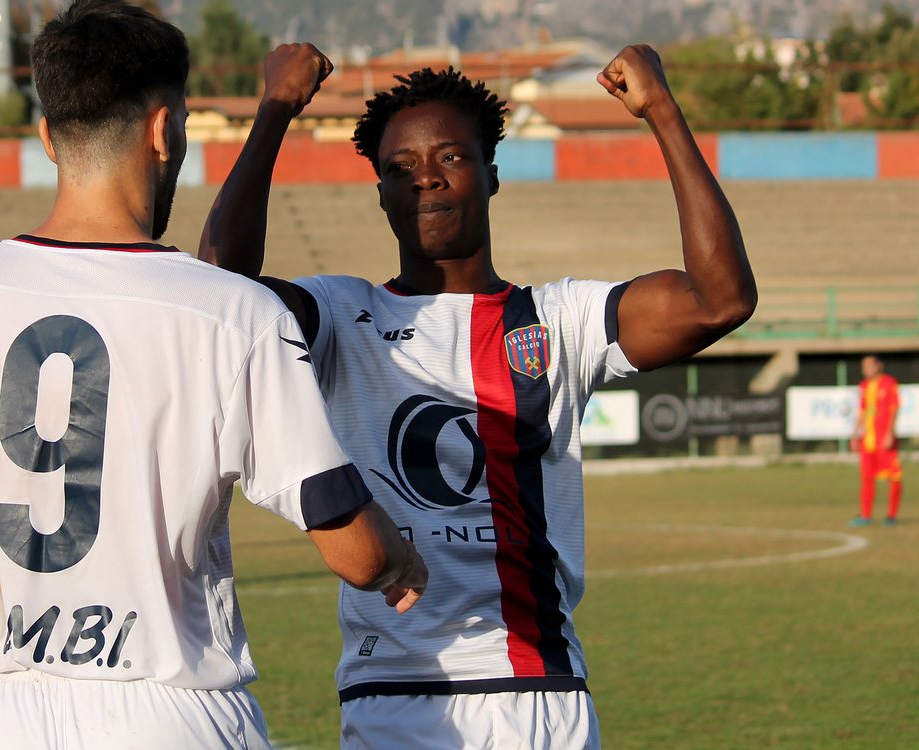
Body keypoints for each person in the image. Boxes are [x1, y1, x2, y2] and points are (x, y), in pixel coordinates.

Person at [200, 42, 756, 749]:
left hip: (537, 696)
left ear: (492, 175)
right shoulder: (341, 315)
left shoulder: (562, 320)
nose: (425, 180)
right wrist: (275, 109)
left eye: (451, 158)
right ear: (381, 196)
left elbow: (721, 299)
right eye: (400, 169)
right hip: (391, 698)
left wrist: (664, 113)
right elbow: (220, 292)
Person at [0, 2, 426, 748]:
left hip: (6, 715)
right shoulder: (231, 313)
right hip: (171, 714)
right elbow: (354, 550)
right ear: (164, 130)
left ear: (48, 140)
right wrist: (400, 562)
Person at [849, 354, 903, 526]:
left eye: (868, 366)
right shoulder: (864, 386)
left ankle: (891, 515)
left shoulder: (889, 383)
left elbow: (894, 409)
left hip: (883, 438)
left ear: (879, 366)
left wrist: (890, 433)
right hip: (868, 440)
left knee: (894, 476)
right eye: (863, 366)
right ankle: (865, 515)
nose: (865, 370)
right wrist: (855, 435)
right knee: (866, 477)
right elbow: (862, 412)